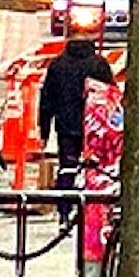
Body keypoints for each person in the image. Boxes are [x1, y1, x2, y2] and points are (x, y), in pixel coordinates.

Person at [38, 20, 108, 202]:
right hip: (94, 128)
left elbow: (46, 100)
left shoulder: (58, 65)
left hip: (66, 127)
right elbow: (110, 97)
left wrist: (44, 130)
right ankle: (92, 208)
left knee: (67, 169)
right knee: (94, 170)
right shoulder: (99, 65)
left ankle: (64, 211)